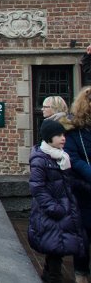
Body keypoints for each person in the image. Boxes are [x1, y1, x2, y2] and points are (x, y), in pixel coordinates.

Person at [30, 119, 87, 283]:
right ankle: (53, 277)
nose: (63, 138)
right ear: (49, 137)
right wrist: (55, 208)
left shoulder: (62, 157)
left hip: (63, 208)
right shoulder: (40, 159)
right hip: (52, 212)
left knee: (56, 248)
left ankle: (49, 275)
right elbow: (37, 188)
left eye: (63, 134)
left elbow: (67, 182)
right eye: (58, 135)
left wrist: (84, 186)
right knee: (56, 245)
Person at [63, 87, 91, 283]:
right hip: (83, 192)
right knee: (83, 238)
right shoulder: (75, 132)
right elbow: (73, 159)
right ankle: (81, 274)